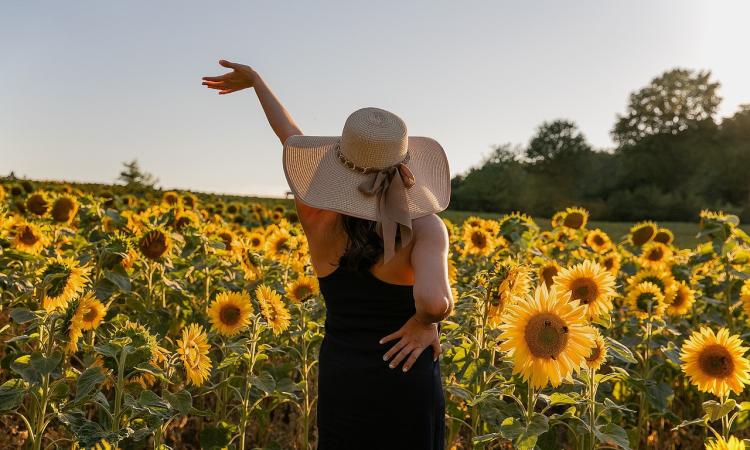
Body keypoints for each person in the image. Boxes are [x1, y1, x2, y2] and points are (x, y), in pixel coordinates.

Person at [202, 59, 454, 450]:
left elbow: (291, 138)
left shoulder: (316, 213)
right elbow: (434, 300)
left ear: (340, 163)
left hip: (344, 373)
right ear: (405, 164)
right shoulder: (424, 227)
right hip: (405, 372)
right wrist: (425, 323)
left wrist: (258, 83)